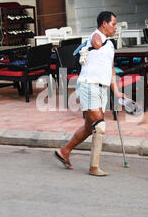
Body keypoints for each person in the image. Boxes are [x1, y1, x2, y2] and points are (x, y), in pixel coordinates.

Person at [54, 11, 125, 176]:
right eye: (113, 24)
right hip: (88, 86)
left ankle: (64, 151)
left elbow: (111, 69)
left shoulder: (110, 45)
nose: (116, 27)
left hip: (102, 88)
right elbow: (96, 42)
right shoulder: (95, 36)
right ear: (104, 24)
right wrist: (97, 41)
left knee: (88, 127)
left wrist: (117, 91)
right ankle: (94, 167)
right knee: (99, 126)